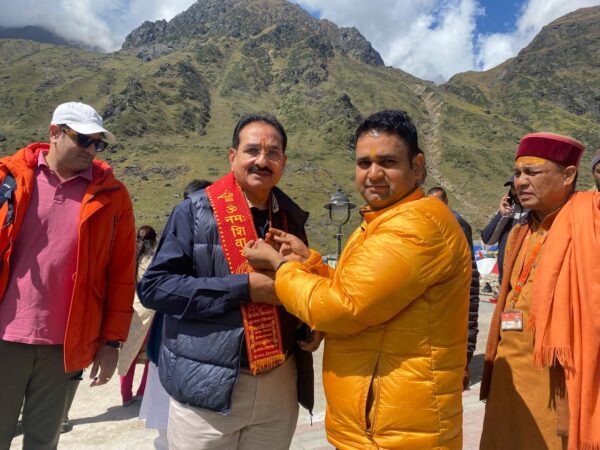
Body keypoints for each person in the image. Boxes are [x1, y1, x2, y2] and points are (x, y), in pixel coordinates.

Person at [244, 110, 472, 449]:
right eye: (364, 163)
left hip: (395, 432)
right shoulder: (384, 219)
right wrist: (311, 263)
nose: (373, 174)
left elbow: (342, 308)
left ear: (418, 166)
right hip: (378, 423)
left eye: (388, 162)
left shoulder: (414, 226)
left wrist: (280, 267)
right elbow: (363, 291)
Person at [138, 114, 318, 450]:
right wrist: (243, 288)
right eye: (252, 150)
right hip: (207, 387)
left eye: (273, 153)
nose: (262, 161)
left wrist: (308, 325)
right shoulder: (193, 212)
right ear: (232, 156)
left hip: (279, 381)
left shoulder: (290, 218)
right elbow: (156, 288)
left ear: (283, 162)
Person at [0, 101, 136, 449]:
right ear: (54, 133)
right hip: (4, 338)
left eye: (97, 143)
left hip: (65, 346)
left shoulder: (113, 197)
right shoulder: (8, 179)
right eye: (83, 139)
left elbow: (121, 273)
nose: (91, 150)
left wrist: (111, 342)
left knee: (43, 442)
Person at [480, 132, 600, 449]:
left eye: (532, 172)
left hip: (557, 384)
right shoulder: (520, 232)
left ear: (568, 175)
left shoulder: (592, 221)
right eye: (518, 173)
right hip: (507, 384)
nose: (521, 182)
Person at [140, 180, 211, 450]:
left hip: (198, 349)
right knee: (167, 427)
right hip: (170, 342)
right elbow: (151, 289)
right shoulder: (176, 237)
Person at [426, 186, 480, 390]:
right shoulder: (429, 222)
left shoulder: (458, 224)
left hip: (462, 283)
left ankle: (463, 368)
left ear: (446, 202)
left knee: (465, 323)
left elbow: (467, 262)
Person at [117, 225, 158, 406]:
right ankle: (142, 392)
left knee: (128, 355)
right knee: (150, 354)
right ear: (154, 240)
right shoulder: (156, 260)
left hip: (132, 313)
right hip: (152, 312)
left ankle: (125, 395)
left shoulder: (130, 259)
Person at [481, 177, 528, 284]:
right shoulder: (508, 210)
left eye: (520, 187)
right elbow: (488, 240)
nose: (516, 191)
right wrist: (503, 214)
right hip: (504, 279)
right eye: (513, 187)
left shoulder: (537, 212)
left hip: (525, 280)